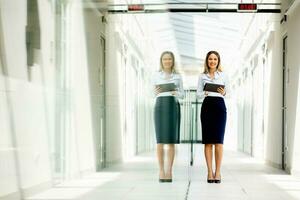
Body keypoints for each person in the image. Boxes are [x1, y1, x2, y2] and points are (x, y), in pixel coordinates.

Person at [196, 50, 229, 184]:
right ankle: (210, 172)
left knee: (219, 142)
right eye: (210, 59)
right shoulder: (202, 76)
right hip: (207, 106)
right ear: (207, 61)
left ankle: (218, 172)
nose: (213, 61)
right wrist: (205, 91)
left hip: (220, 107)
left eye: (215, 59)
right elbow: (198, 94)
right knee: (208, 141)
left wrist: (224, 91)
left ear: (218, 61)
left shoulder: (224, 75)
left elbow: (230, 93)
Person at [153, 51, 184, 183]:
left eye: (169, 59)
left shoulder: (177, 76)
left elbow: (183, 94)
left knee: (171, 141)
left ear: (173, 61)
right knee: (160, 141)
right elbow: (149, 93)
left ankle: (169, 171)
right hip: (160, 106)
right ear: (161, 61)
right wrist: (154, 92)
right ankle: (161, 171)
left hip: (172, 106)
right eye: (165, 59)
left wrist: (176, 92)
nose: (167, 61)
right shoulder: (156, 75)